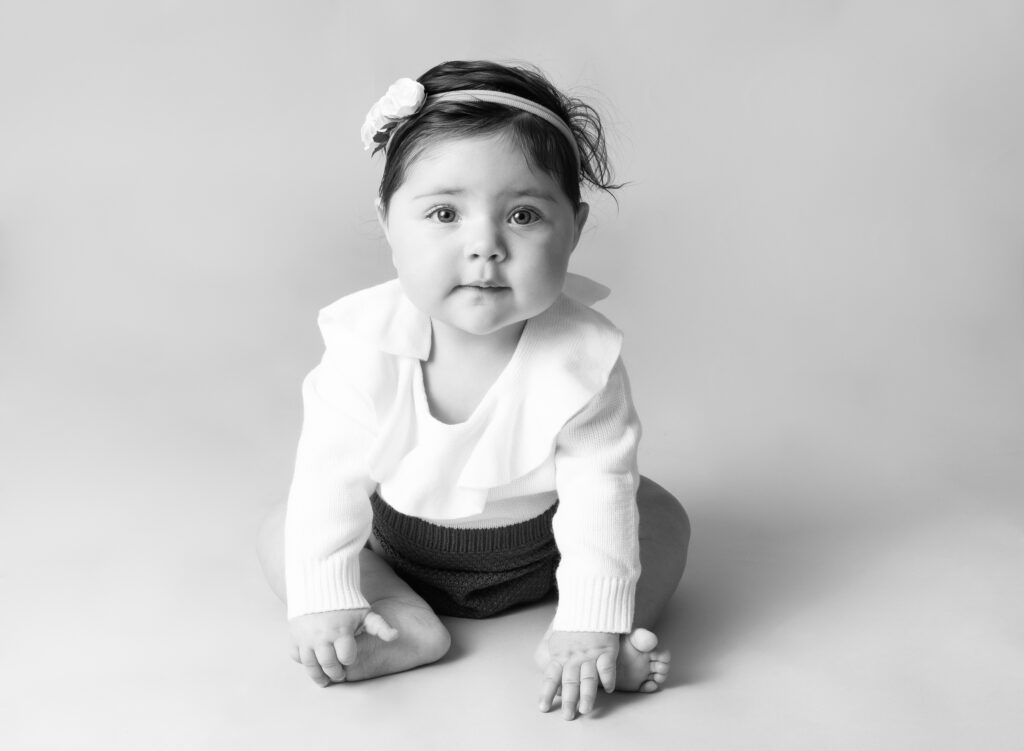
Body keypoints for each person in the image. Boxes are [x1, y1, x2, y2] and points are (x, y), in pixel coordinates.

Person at [257, 60, 690, 720]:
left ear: (572, 228)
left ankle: (593, 642)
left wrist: (589, 615)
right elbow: (329, 476)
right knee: (288, 525)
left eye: (522, 214)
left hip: (546, 546)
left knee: (656, 514)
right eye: (443, 213)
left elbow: (598, 490)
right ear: (387, 222)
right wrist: (324, 599)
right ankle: (400, 620)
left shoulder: (583, 357)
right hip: (399, 545)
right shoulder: (363, 341)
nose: (485, 245)